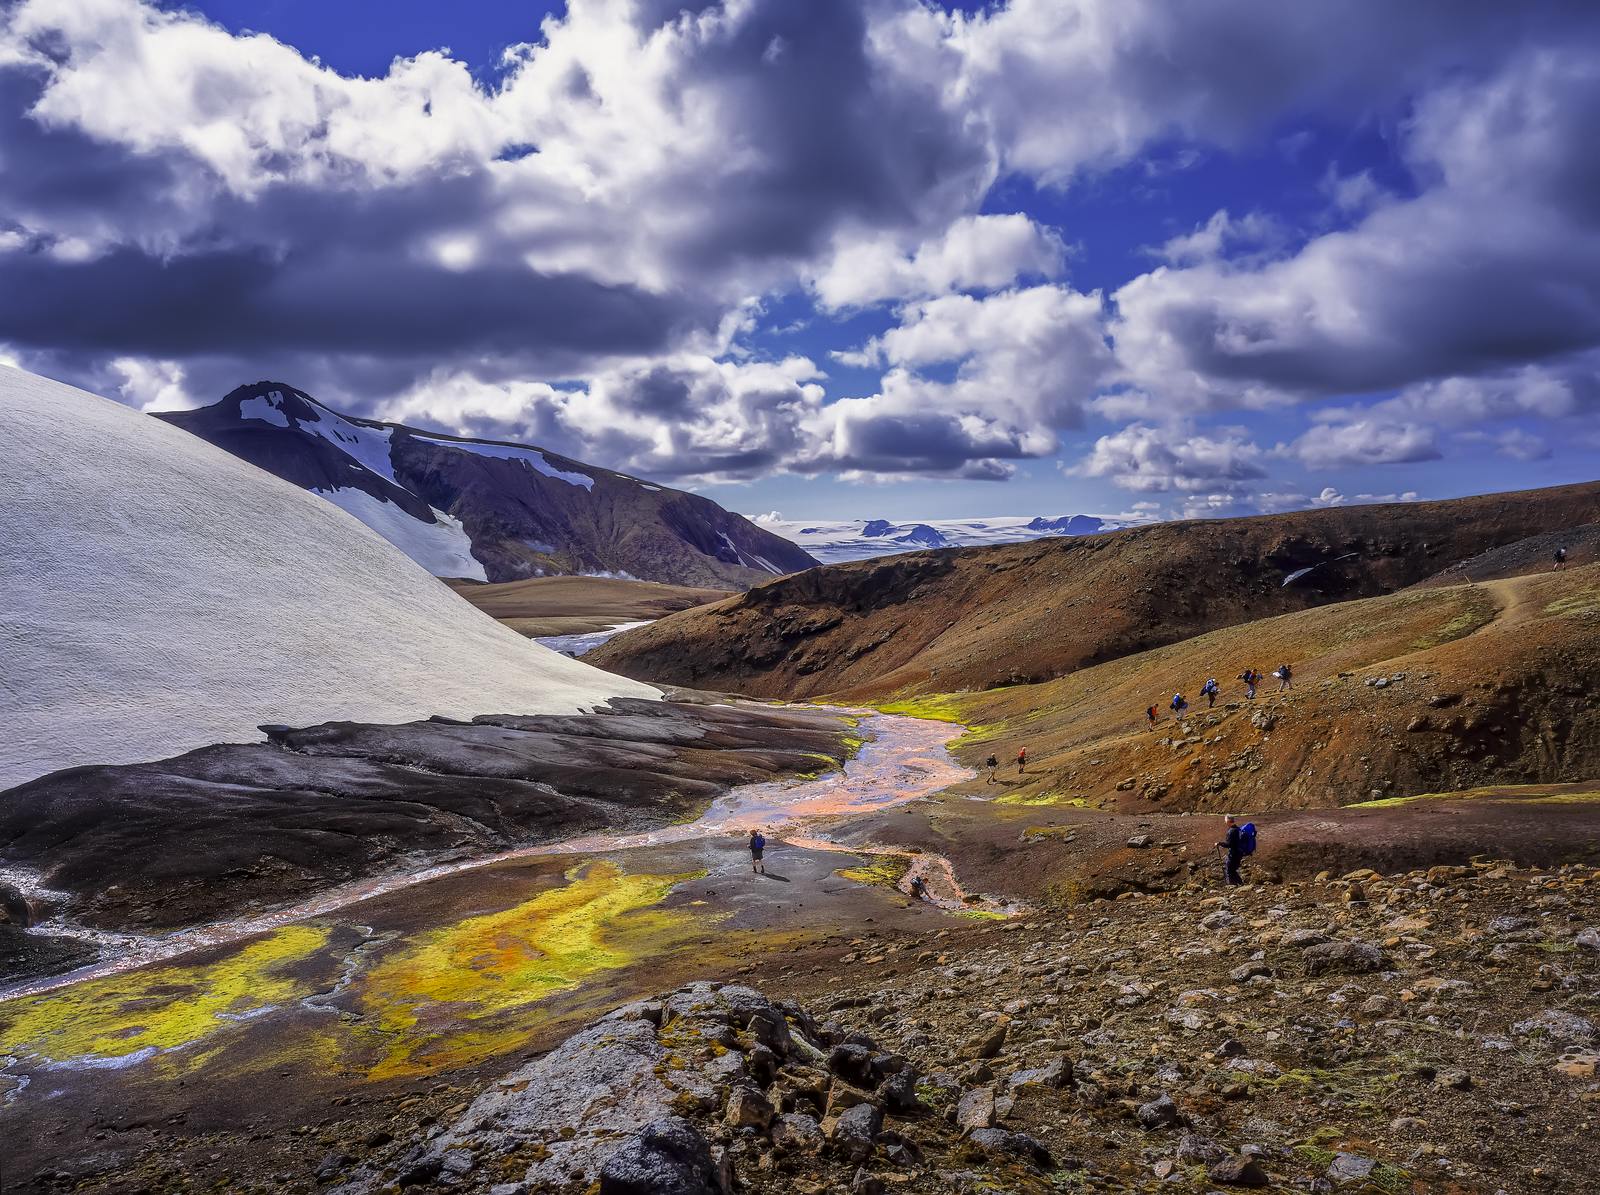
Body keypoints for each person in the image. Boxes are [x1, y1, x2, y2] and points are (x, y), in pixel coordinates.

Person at [1216, 814, 1243, 886]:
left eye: (1225, 820)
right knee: (1232, 870)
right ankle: (1239, 884)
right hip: (1239, 852)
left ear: (1228, 821)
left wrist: (1219, 843)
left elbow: (1229, 844)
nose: (1225, 822)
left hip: (1234, 853)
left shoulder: (1232, 831)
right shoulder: (1238, 829)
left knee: (1229, 870)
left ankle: (1232, 886)